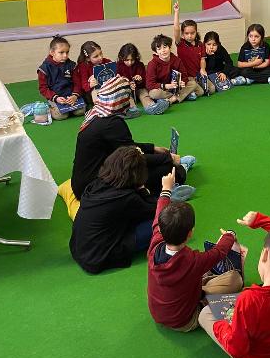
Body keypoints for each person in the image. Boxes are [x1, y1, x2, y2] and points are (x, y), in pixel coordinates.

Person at [57, 76, 191, 220]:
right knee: (165, 169)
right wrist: (167, 158)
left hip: (81, 183)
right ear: (120, 99)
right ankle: (178, 174)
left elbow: (125, 146)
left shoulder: (97, 114)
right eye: (127, 97)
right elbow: (133, 157)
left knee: (157, 162)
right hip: (93, 188)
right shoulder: (112, 123)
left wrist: (153, 148)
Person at [198, 211, 270, 358]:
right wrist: (259, 220)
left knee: (205, 314)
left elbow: (237, 348)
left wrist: (221, 325)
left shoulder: (249, 300)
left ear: (265, 254)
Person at [147, 168, 243, 332]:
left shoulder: (155, 243)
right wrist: (230, 235)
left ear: (161, 230)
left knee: (205, 275)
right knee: (235, 279)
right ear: (190, 233)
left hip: (158, 314)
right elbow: (219, 252)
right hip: (186, 320)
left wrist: (166, 189)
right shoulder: (193, 260)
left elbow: (159, 213)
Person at [69, 146, 158, 274]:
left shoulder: (96, 184)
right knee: (165, 221)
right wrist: (151, 191)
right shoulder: (126, 197)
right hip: (101, 257)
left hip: (79, 250)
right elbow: (156, 209)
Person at [37, 34, 86, 121]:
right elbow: (43, 88)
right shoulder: (44, 69)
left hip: (70, 95)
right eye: (61, 52)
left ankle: (68, 107)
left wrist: (75, 95)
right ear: (52, 52)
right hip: (56, 97)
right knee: (61, 116)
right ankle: (50, 108)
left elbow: (77, 83)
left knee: (80, 111)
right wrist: (56, 98)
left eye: (67, 52)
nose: (65, 55)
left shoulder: (72, 65)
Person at [116, 43, 167, 116]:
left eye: (132, 60)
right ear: (121, 58)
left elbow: (146, 82)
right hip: (126, 90)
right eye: (127, 60)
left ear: (136, 57)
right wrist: (127, 83)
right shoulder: (118, 66)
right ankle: (131, 109)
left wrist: (140, 79)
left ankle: (151, 107)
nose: (130, 62)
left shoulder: (140, 65)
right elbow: (118, 81)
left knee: (144, 93)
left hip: (139, 88)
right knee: (126, 95)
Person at [146, 34, 198, 105]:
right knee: (153, 94)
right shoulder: (152, 64)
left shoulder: (177, 60)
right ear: (156, 52)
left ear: (170, 48)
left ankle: (171, 100)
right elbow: (150, 84)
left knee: (193, 84)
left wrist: (182, 82)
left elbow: (184, 76)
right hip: (163, 90)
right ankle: (182, 96)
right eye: (159, 49)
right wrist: (166, 86)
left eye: (165, 47)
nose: (163, 51)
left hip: (176, 88)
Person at [173, 0, 209, 95]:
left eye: (192, 33)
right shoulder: (180, 43)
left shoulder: (200, 44)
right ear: (183, 34)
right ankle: (188, 93)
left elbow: (202, 59)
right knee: (200, 92)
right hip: (187, 77)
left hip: (198, 75)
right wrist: (176, 12)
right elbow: (176, 29)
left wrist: (203, 69)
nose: (189, 36)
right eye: (187, 33)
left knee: (211, 89)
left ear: (196, 32)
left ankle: (190, 92)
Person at [75, 40, 112, 107]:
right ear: (88, 59)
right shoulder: (83, 66)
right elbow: (84, 86)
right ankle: (100, 108)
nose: (100, 57)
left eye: (101, 53)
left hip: (107, 88)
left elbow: (115, 74)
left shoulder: (107, 62)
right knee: (96, 93)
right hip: (93, 92)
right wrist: (90, 84)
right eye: (96, 56)